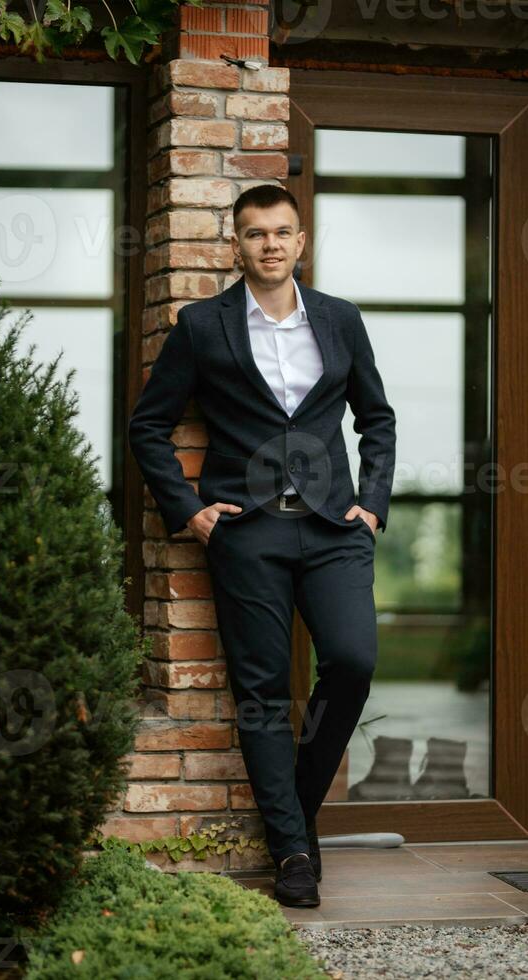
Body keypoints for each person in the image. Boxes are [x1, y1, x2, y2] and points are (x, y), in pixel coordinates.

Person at [128, 184, 396, 908]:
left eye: (282, 232)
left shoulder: (340, 321)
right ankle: (292, 856)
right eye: (255, 234)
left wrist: (371, 507)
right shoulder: (202, 326)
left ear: (300, 242)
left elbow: (377, 419)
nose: (270, 245)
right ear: (236, 245)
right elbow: (147, 426)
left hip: (334, 529)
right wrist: (191, 513)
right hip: (248, 532)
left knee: (353, 659)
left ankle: (294, 815)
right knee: (261, 695)